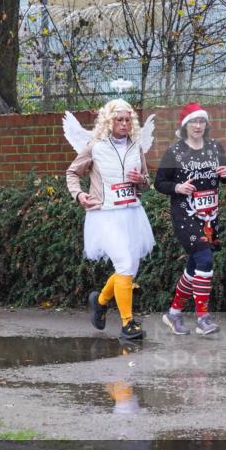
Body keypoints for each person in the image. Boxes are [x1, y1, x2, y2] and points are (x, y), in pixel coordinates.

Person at [63, 98, 156, 340]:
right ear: (109, 121)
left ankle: (101, 301)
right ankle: (128, 324)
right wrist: (79, 194)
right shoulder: (95, 146)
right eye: (119, 120)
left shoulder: (136, 147)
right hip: (104, 215)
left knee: (130, 267)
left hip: (132, 213)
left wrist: (141, 181)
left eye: (128, 120)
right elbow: (72, 172)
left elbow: (146, 182)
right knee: (124, 263)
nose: (124, 124)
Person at [154, 102, 226, 336]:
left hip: (210, 215)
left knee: (195, 265)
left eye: (201, 122)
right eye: (193, 122)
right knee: (205, 260)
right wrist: (178, 186)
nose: (198, 126)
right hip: (185, 216)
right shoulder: (175, 152)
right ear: (185, 125)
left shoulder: (215, 147)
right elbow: (159, 183)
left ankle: (174, 314)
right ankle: (203, 318)